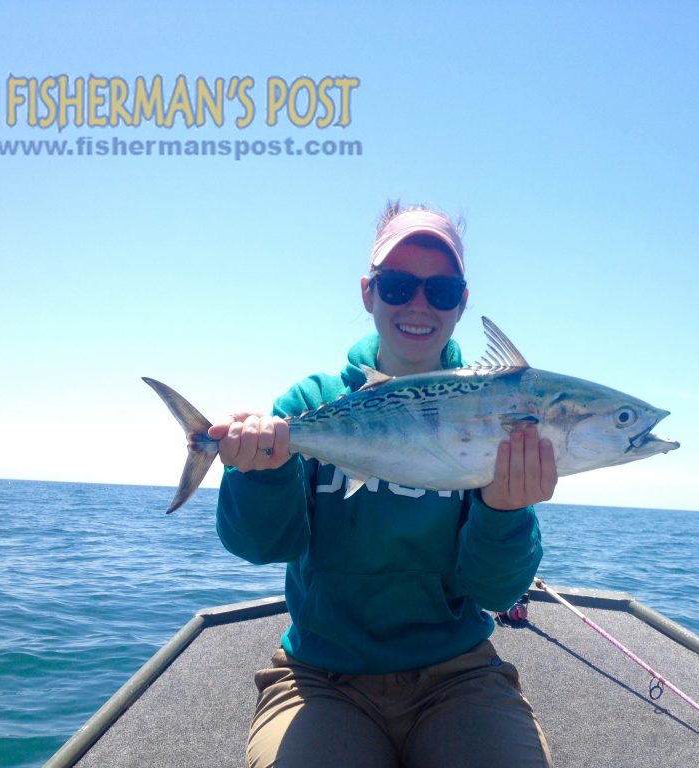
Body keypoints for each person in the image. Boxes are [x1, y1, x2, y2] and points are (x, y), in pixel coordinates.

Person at [207, 202, 557, 768]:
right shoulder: (310, 405)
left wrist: (504, 511)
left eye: (441, 291)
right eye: (398, 285)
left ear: (461, 303)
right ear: (368, 292)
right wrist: (259, 472)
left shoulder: (498, 409)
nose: (419, 304)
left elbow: (495, 594)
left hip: (459, 675)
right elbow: (262, 546)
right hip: (321, 677)